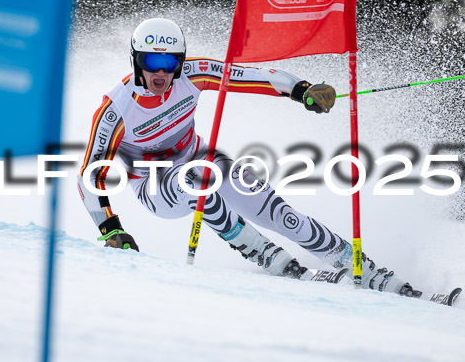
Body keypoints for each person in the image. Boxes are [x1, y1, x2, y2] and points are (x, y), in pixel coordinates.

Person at [77, 18, 419, 297]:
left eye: (171, 63)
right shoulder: (117, 109)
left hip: (199, 158)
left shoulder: (192, 75)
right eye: (153, 62)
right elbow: (88, 176)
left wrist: (301, 89)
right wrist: (110, 229)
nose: (162, 73)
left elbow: (252, 75)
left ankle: (363, 267)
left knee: (277, 211)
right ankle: (270, 257)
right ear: (136, 60)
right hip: (154, 185)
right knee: (196, 178)